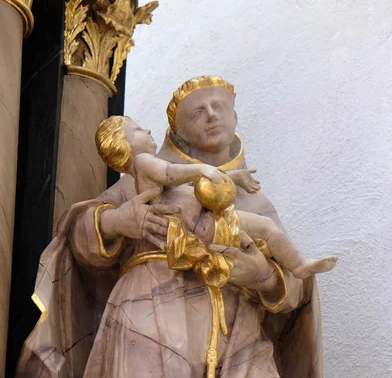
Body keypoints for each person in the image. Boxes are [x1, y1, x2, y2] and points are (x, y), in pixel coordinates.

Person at [15, 76, 338, 378]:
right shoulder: (152, 177)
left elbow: (291, 291)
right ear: (177, 132)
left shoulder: (253, 200)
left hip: (242, 353)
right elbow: (80, 232)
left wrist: (262, 276)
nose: (211, 115)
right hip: (151, 338)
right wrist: (114, 224)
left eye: (219, 106)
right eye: (196, 111)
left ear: (235, 116)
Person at [95, 115, 338, 279]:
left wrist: (232, 177)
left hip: (201, 222)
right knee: (265, 227)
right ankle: (298, 264)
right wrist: (202, 168)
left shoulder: (148, 170)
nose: (147, 129)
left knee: (262, 230)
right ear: (124, 145)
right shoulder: (143, 162)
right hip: (201, 225)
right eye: (137, 129)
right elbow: (171, 173)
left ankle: (297, 265)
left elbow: (196, 185)